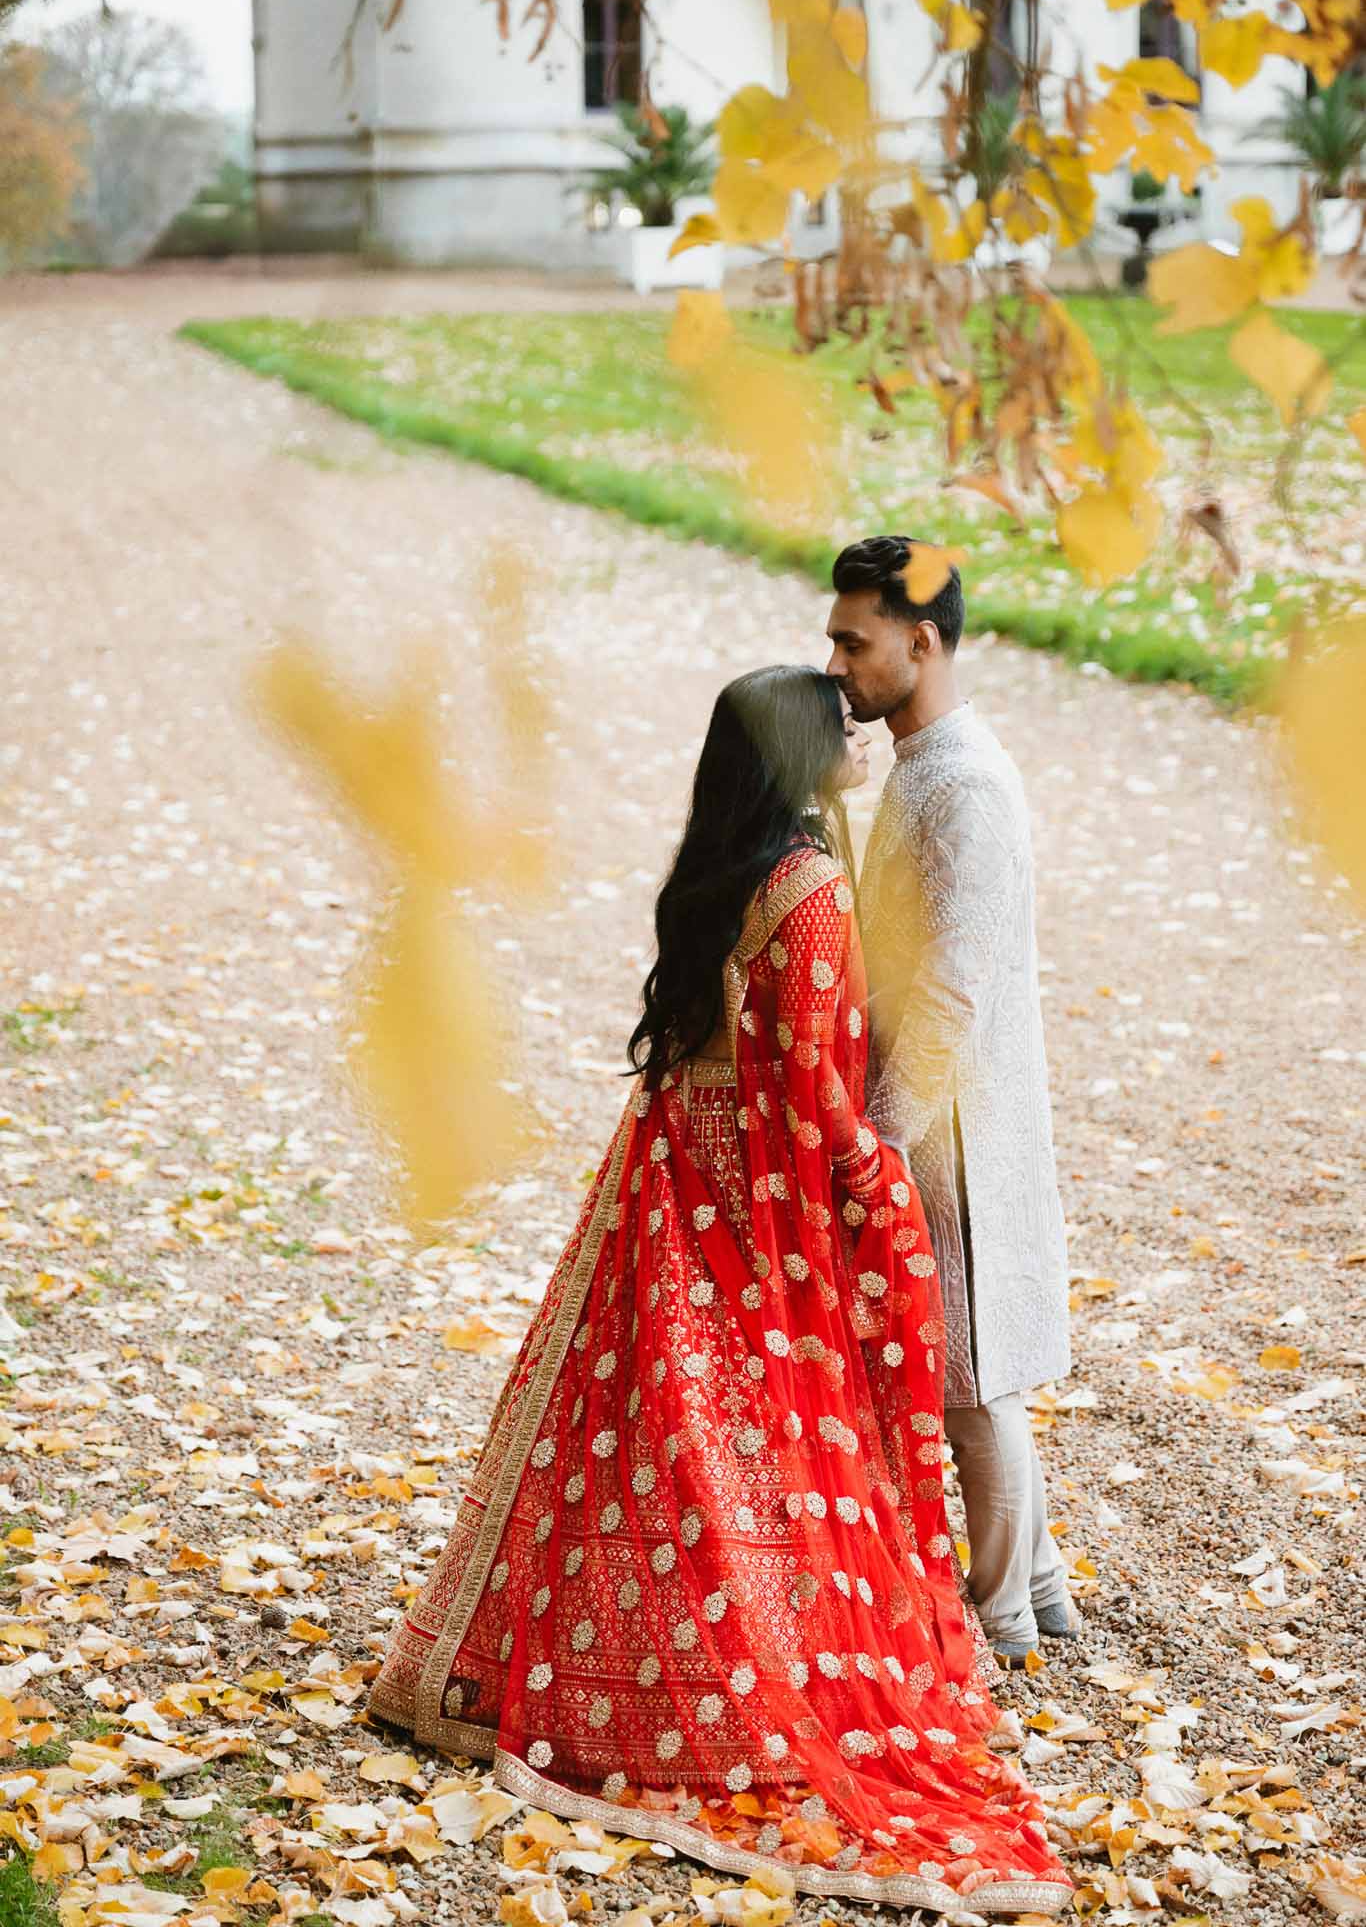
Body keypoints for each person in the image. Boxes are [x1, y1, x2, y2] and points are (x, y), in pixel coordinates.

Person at [370, 666, 1070, 1915]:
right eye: (841, 730)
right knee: (751, 1436)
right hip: (748, 1208)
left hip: (664, 1188)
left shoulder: (716, 871)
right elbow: (808, 1087)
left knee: (645, 1434)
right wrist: (879, 1183)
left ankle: (586, 1652)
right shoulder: (803, 890)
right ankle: (736, 1668)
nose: (861, 740)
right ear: (804, 756)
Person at [826, 538, 1076, 1666]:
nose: (833, 662)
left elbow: (952, 982)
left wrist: (880, 1129)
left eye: (852, 639)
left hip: (952, 1126)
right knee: (974, 1374)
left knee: (969, 1379)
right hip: (944, 1119)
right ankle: (1041, 1587)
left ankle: (1001, 1621)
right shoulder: (925, 760)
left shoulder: (961, 779)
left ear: (919, 642)